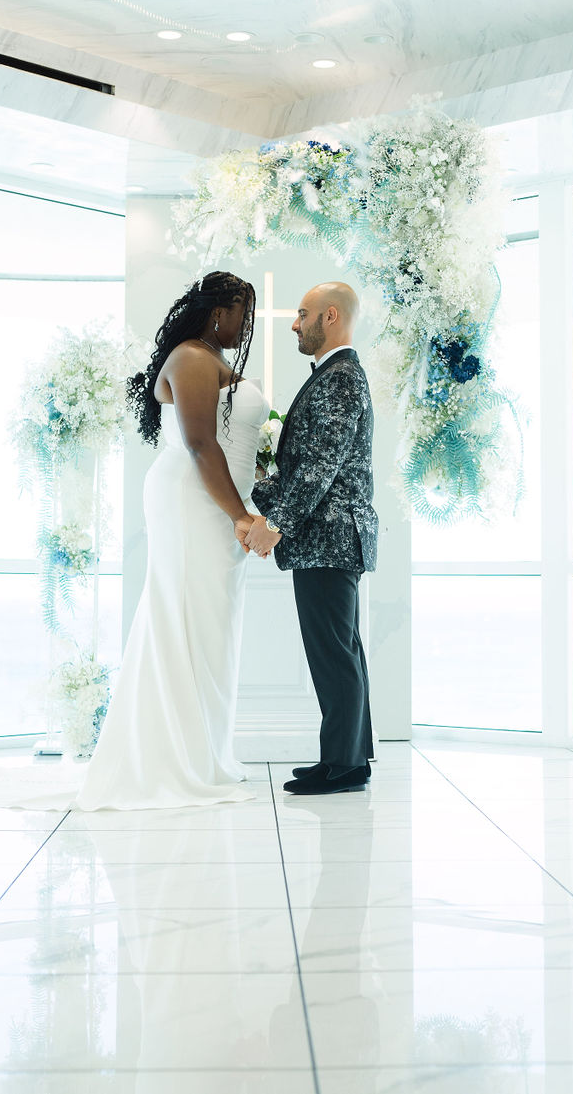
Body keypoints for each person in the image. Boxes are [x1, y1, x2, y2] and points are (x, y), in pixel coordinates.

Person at [0, 270, 267, 812]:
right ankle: (172, 762)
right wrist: (240, 516)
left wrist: (243, 507)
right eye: (244, 312)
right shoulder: (190, 357)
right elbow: (200, 445)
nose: (248, 324)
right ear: (219, 311)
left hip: (217, 505)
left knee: (211, 625)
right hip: (194, 503)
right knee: (183, 619)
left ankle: (204, 753)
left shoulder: (209, 358)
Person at [245, 282, 378, 795]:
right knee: (342, 649)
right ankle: (351, 757)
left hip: (330, 538)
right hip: (334, 538)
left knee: (333, 651)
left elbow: (319, 468)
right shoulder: (337, 375)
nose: (294, 323)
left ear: (329, 316)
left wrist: (272, 525)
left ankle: (342, 764)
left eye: (301, 314)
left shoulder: (340, 378)